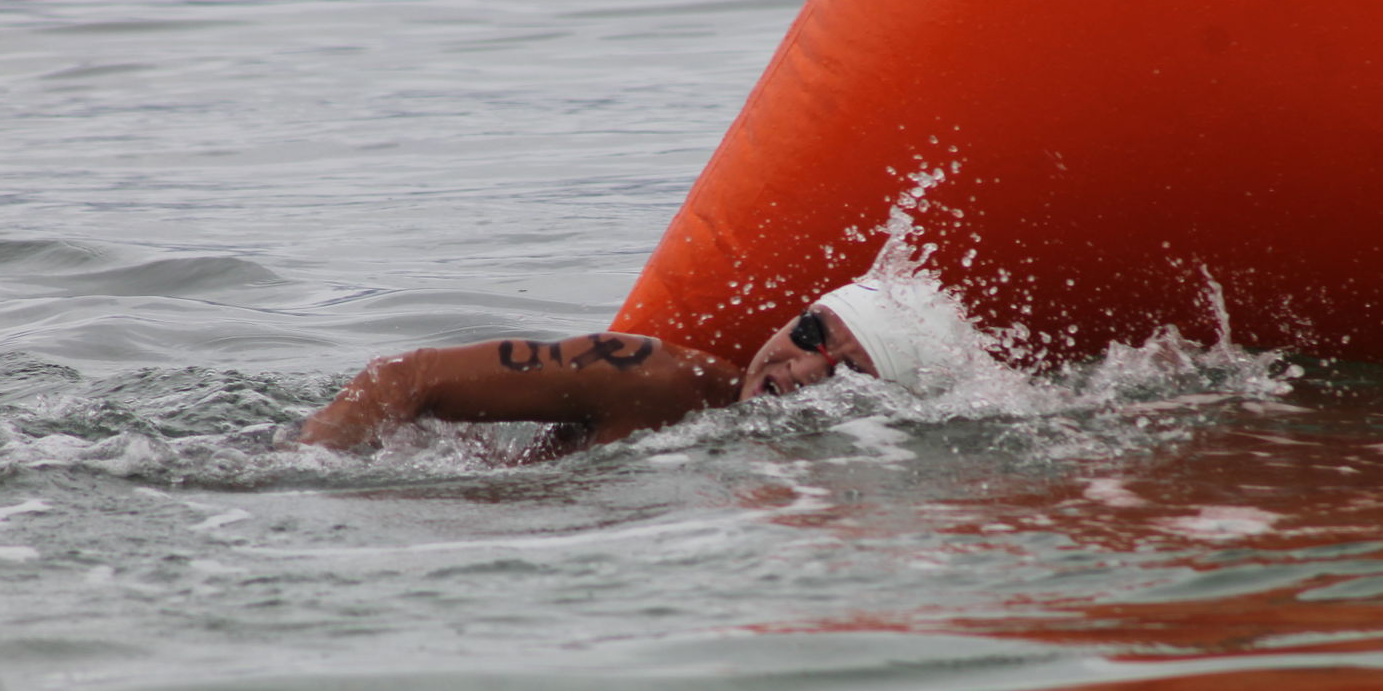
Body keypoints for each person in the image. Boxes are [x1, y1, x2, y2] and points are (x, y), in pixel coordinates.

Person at [297, 278, 964, 457]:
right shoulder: (654, 379)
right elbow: (402, 378)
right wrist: (313, 478)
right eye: (813, 334)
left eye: (848, 374)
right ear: (794, 317)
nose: (806, 372)